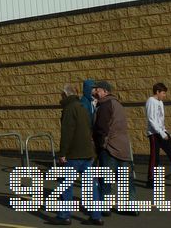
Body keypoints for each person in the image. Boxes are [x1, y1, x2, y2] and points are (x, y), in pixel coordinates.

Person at [49, 84, 103, 226]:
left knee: (65, 186)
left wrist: (62, 153)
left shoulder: (69, 109)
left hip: (74, 154)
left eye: (61, 95)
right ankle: (97, 217)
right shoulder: (82, 108)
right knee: (91, 187)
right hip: (87, 153)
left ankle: (64, 216)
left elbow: (66, 134)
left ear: (65, 95)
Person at [93, 80, 138, 216]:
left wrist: (100, 145)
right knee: (126, 179)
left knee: (106, 179)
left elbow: (101, 128)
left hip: (110, 147)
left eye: (98, 89)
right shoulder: (117, 104)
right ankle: (131, 206)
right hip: (123, 146)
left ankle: (105, 207)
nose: (96, 92)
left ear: (106, 92)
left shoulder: (106, 105)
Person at [145, 83, 171, 188]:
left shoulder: (160, 102)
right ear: (157, 92)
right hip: (154, 134)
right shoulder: (151, 101)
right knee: (154, 158)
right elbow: (151, 119)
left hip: (162, 132)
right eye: (163, 93)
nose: (164, 95)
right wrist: (160, 132)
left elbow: (160, 119)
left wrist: (164, 131)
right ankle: (151, 181)